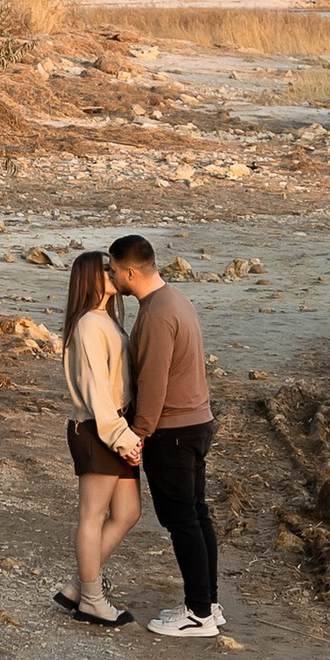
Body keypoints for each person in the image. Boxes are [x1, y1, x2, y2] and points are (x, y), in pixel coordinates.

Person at [106, 233, 223, 637]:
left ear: (130, 272)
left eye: (113, 270)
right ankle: (208, 603)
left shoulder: (157, 313)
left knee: (182, 521)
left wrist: (137, 435)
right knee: (196, 514)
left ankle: (198, 615)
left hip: (172, 431)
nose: (110, 276)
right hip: (195, 423)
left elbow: (153, 384)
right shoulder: (175, 299)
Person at [55, 249, 144, 627]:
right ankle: (91, 599)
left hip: (112, 426)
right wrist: (124, 438)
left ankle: (79, 587)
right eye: (105, 269)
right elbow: (96, 390)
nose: (113, 272)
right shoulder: (89, 324)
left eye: (113, 267)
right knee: (92, 515)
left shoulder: (104, 318)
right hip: (98, 429)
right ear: (88, 277)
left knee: (128, 512)